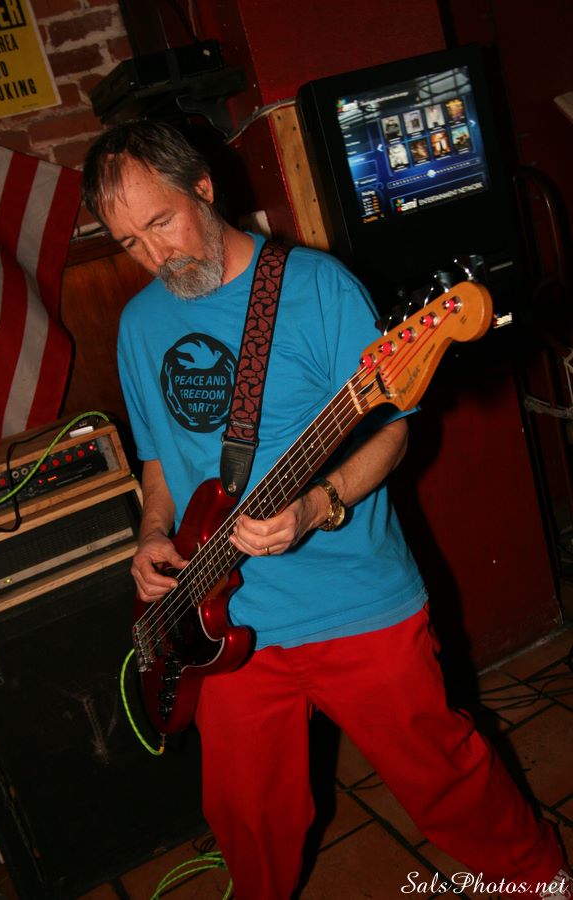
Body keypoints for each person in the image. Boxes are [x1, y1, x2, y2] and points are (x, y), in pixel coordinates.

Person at [82, 120, 571, 900]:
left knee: (444, 777)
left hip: (354, 600)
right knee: (247, 817)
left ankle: (539, 879)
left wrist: (319, 504)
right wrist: (149, 533)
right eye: (129, 242)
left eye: (161, 222)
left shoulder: (314, 287)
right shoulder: (140, 324)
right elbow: (160, 457)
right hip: (217, 622)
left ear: (203, 188)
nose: (153, 255)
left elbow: (394, 433)